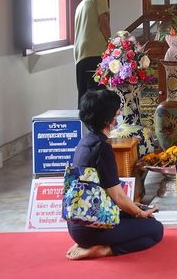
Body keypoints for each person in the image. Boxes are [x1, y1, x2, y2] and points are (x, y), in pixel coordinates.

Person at [66, 89, 163, 260]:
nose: (119, 114)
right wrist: (140, 213)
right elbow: (117, 196)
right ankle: (104, 250)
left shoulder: (84, 142)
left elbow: (100, 192)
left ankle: (88, 243)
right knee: (155, 229)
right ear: (107, 119)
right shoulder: (102, 148)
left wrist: (134, 207)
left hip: (77, 225)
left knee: (140, 218)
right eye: (116, 111)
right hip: (94, 227)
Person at [73, 0, 111, 103]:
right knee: (98, 96)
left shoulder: (81, 4)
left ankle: (83, 117)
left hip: (81, 55)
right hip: (95, 51)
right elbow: (103, 22)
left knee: (84, 96)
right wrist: (110, 43)